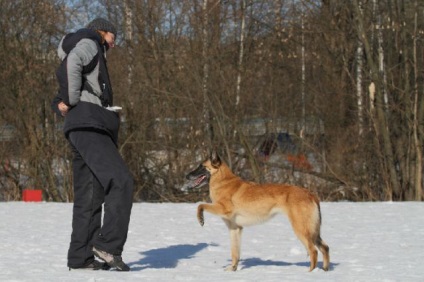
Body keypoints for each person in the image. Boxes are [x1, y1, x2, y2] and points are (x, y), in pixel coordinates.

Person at [52, 18, 134, 271]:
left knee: (89, 196)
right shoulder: (90, 41)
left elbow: (69, 76)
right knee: (121, 181)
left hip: (80, 126)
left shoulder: (83, 45)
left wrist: (62, 102)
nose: (114, 43)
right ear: (103, 31)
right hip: (90, 125)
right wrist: (69, 98)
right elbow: (71, 66)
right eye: (113, 36)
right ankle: (108, 245)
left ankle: (80, 258)